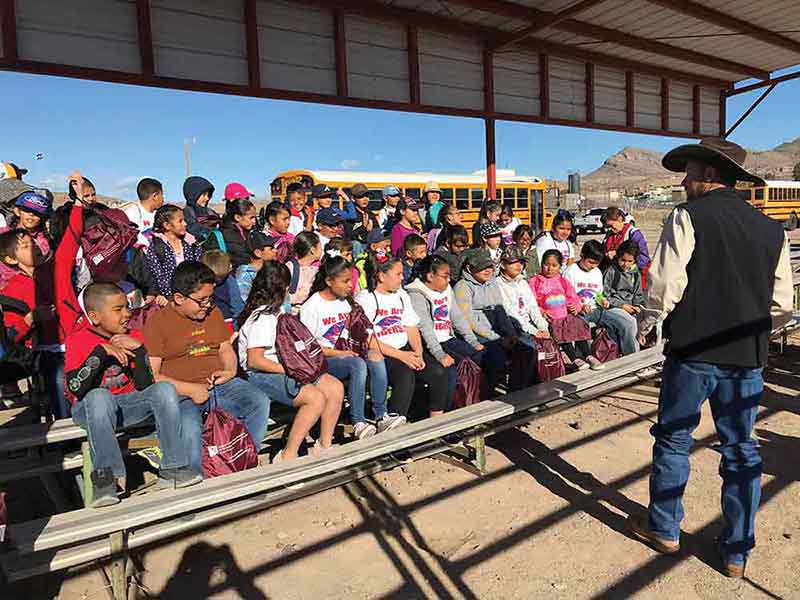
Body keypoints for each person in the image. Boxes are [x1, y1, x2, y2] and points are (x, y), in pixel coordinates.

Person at [629, 137, 794, 577]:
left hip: (693, 352)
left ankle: (665, 528)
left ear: (708, 176)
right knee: (741, 449)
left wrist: (650, 322)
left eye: (688, 173)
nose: (683, 181)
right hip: (747, 358)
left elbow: (666, 285)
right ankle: (737, 553)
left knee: (675, 437)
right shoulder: (771, 229)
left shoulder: (687, 216)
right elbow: (781, 305)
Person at [65, 282, 201, 507]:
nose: (127, 314)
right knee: (99, 396)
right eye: (118, 309)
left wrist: (139, 351)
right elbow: (76, 387)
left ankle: (173, 468)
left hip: (127, 407)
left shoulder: (134, 335)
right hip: (90, 410)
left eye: (127, 307)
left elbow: (146, 385)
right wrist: (100, 353)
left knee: (165, 389)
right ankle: (105, 479)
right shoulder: (78, 339)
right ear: (95, 316)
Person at [143, 261, 271, 477]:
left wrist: (229, 371)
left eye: (210, 298)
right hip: (181, 393)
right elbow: (153, 376)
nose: (208, 304)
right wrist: (190, 389)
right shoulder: (157, 323)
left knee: (259, 402)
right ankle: (197, 482)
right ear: (179, 298)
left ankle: (242, 461)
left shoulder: (213, 313)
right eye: (201, 300)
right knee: (190, 427)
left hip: (219, 384)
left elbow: (225, 350)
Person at [237, 262, 344, 461]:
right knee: (315, 398)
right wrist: (290, 370)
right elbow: (254, 361)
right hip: (263, 374)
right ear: (284, 288)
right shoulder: (262, 318)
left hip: (286, 367)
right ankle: (288, 454)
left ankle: (324, 445)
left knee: (334, 387)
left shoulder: (277, 312)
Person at [300, 255, 385, 440]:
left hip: (348, 352)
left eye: (351, 281)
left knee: (376, 358)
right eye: (345, 281)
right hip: (324, 360)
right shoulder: (312, 307)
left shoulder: (346, 302)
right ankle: (358, 422)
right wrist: (341, 353)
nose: (350, 286)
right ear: (329, 281)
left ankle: (381, 415)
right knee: (357, 364)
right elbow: (309, 349)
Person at [356, 258, 451, 420]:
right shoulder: (365, 298)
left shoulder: (401, 295)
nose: (402, 277)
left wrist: (418, 353)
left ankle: (436, 421)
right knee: (405, 376)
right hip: (382, 352)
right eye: (398, 274)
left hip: (404, 348)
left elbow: (411, 326)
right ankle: (393, 421)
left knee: (438, 372)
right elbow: (368, 338)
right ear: (381, 276)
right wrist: (402, 356)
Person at [406, 255, 495, 401]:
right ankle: (449, 409)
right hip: (430, 344)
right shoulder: (416, 294)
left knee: (479, 356)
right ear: (430, 276)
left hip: (447, 338)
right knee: (452, 371)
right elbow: (425, 328)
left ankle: (474, 399)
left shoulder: (446, 289)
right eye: (445, 276)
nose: (449, 280)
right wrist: (439, 354)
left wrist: (473, 341)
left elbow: (457, 317)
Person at [454, 249, 518, 393]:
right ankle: (486, 393)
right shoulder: (462, 287)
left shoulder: (492, 283)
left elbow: (500, 311)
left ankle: (519, 390)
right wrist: (497, 338)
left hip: (495, 330)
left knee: (525, 348)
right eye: (482, 267)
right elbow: (468, 320)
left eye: (489, 266)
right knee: (496, 355)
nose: (487, 270)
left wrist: (510, 333)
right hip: (478, 334)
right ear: (470, 268)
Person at [565, 240, 639, 356]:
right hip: (578, 313)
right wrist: (581, 306)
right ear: (582, 256)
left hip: (597, 310)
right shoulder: (570, 272)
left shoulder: (597, 272)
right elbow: (567, 297)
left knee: (627, 323)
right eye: (590, 262)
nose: (593, 266)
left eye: (596, 263)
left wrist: (602, 300)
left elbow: (598, 294)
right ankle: (584, 358)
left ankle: (630, 356)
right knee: (581, 325)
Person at [531, 249, 597, 371]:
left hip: (565, 315)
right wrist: (541, 312)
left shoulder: (562, 281)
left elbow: (573, 297)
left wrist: (575, 307)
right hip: (550, 318)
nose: (549, 268)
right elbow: (531, 302)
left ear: (560, 267)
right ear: (541, 264)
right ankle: (574, 358)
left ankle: (588, 355)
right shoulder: (535, 281)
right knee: (560, 331)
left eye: (554, 265)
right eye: (546, 264)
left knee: (578, 325)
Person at [146, 204, 203, 300]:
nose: (185, 223)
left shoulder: (192, 244)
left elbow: (198, 271)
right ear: (167, 225)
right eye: (180, 221)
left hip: (192, 297)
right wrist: (169, 297)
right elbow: (158, 276)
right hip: (168, 300)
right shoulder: (157, 247)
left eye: (184, 220)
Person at [496, 245, 550, 343]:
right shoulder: (497, 284)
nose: (519, 265)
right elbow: (510, 312)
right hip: (513, 327)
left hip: (529, 324)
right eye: (513, 262)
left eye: (521, 262)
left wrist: (543, 327)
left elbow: (533, 307)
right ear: (503, 265)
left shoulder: (522, 282)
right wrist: (534, 331)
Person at [603, 239, 646, 341]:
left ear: (634, 261)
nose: (625, 264)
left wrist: (637, 307)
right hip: (615, 307)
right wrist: (622, 306)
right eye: (623, 260)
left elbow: (638, 295)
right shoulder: (611, 271)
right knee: (629, 324)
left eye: (630, 261)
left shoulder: (635, 273)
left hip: (631, 307)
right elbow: (605, 296)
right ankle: (631, 354)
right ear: (618, 257)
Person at [602, 206, 651, 288]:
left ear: (620, 219)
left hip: (632, 278)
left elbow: (643, 258)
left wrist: (619, 255)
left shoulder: (634, 233)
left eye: (611, 225)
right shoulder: (609, 234)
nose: (609, 229)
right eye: (607, 227)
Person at [205, 193, 258, 270]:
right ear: (237, 217)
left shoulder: (249, 233)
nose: (254, 222)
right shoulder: (223, 236)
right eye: (251, 218)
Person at [201, 250, 244, 328]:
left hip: (216, 321)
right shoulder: (229, 281)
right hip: (226, 321)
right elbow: (237, 306)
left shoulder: (202, 283)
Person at [236, 231, 277, 303]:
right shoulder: (244, 276)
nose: (275, 250)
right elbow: (245, 302)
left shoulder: (271, 269)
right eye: (271, 248)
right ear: (258, 253)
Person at [124, 178, 165, 249]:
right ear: (155, 196)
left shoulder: (160, 214)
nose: (163, 199)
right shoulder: (132, 212)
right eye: (162, 195)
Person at [344, 183, 379, 257]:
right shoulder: (349, 214)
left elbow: (378, 231)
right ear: (353, 198)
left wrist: (371, 232)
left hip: (370, 246)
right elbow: (348, 235)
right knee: (356, 244)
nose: (365, 199)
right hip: (355, 248)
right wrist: (363, 228)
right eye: (361, 197)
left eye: (366, 196)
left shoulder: (370, 214)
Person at [287, 231, 321, 306]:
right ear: (312, 250)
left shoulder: (316, 268)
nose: (321, 251)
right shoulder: (290, 268)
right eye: (320, 247)